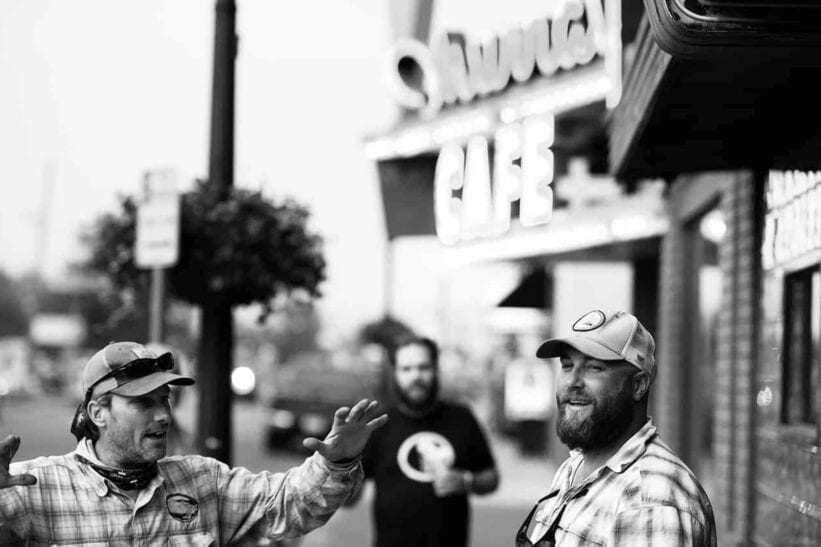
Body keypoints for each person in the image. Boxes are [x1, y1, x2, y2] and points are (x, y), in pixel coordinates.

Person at [0, 341, 387, 545]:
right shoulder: (33, 488)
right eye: (143, 403)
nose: (163, 414)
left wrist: (337, 462)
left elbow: (288, 505)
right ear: (98, 412)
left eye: (165, 399)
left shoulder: (204, 481)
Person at [517, 310, 717, 547]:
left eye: (594, 368)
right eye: (567, 366)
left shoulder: (650, 501)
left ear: (639, 385)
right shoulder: (574, 466)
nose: (572, 381)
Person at [352, 335, 500, 547]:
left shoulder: (462, 418)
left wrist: (467, 481)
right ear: (395, 373)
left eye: (423, 367)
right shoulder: (379, 424)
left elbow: (491, 478)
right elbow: (351, 500)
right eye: (406, 369)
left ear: (435, 369)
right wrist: (341, 464)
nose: (416, 376)